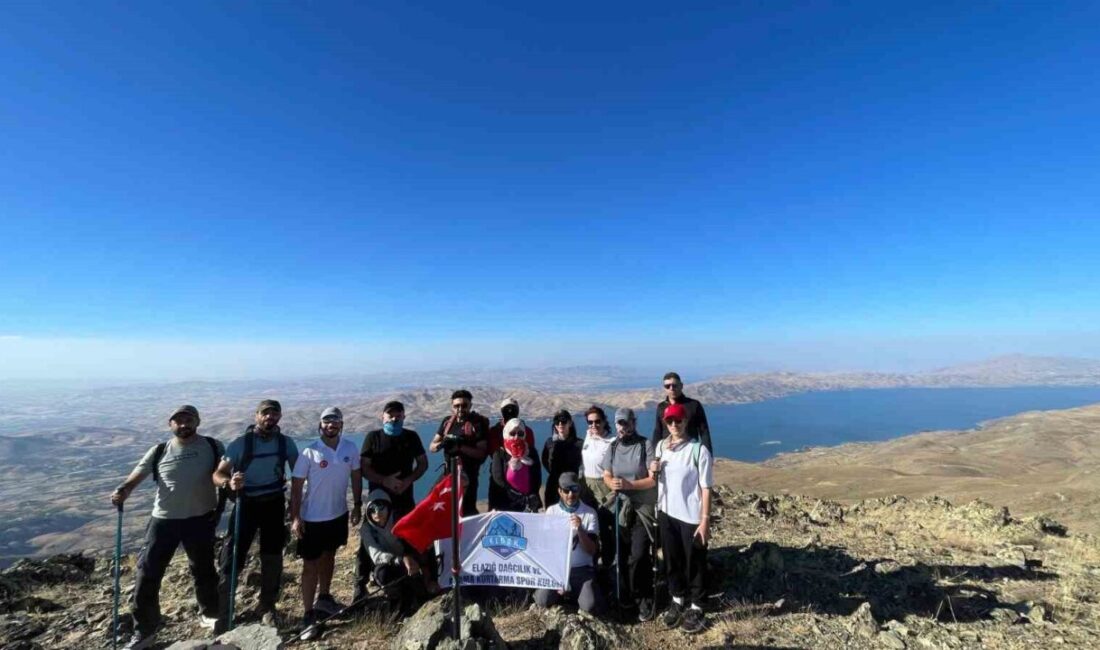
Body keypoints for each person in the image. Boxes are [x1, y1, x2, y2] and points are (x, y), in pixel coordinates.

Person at [111, 405, 224, 650]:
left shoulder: (213, 446)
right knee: (148, 573)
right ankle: (145, 630)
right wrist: (124, 490)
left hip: (200, 518)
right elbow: (137, 475)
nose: (184, 424)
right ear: (170, 424)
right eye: (178, 420)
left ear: (197, 422)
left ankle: (210, 613)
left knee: (204, 569)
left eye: (189, 420)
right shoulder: (160, 450)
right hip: (164, 520)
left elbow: (223, 473)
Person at [213, 399, 299, 628]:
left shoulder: (286, 443)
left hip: (274, 503)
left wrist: (297, 506)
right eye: (265, 413)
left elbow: (299, 472)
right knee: (232, 557)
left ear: (279, 417)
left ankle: (267, 606)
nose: (270, 417)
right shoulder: (240, 444)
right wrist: (229, 483)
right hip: (246, 504)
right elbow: (218, 474)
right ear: (257, 416)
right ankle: (225, 613)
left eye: (274, 413)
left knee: (272, 556)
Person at [290, 407, 362, 639]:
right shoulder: (309, 452)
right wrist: (295, 517)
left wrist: (358, 505)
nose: (331, 425)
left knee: (330, 556)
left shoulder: (350, 448)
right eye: (326, 421)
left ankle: (324, 598)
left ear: (341, 424)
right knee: (310, 565)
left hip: (338, 514)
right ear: (320, 425)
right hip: (312, 518)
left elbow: (356, 476)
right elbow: (296, 487)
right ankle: (308, 614)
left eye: (335, 421)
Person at [355, 400, 428, 601]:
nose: (394, 419)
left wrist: (408, 480)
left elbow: (423, 463)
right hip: (378, 501)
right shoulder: (373, 437)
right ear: (383, 417)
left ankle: (412, 580)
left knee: (407, 537)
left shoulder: (411, 437)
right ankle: (360, 586)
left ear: (404, 416)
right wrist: (384, 480)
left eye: (398, 415)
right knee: (368, 542)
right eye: (390, 415)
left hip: (404, 497)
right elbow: (364, 467)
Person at [651, 403, 712, 634]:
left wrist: (705, 520)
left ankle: (697, 606)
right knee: (672, 558)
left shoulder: (698, 450)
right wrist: (653, 469)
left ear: (686, 421)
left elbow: (706, 487)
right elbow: (655, 477)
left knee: (694, 560)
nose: (674, 425)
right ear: (665, 423)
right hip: (667, 512)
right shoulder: (661, 446)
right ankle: (677, 598)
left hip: (691, 516)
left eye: (678, 420)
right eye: (670, 421)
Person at [600, 407, 659, 622]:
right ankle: (626, 597)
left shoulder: (645, 445)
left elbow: (653, 480)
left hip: (642, 508)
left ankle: (643, 596)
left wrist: (629, 485)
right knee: (623, 554)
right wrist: (612, 483)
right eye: (619, 423)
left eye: (626, 422)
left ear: (634, 422)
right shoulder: (613, 447)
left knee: (639, 555)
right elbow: (606, 474)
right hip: (620, 508)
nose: (623, 427)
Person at [533, 473, 605, 614]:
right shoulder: (551, 511)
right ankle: (564, 594)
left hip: (582, 569)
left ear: (579, 490)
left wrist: (580, 530)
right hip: (558, 570)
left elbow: (591, 550)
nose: (571, 494)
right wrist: (557, 575)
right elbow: (546, 548)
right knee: (542, 600)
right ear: (560, 491)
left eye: (574, 489)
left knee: (589, 606)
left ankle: (579, 592)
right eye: (566, 491)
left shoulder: (590, 513)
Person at [360, 489, 432, 616]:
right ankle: (397, 597)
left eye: (381, 507)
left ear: (388, 506)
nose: (377, 513)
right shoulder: (367, 530)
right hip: (391, 564)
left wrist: (413, 558)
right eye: (372, 510)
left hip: (412, 561)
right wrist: (399, 559)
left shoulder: (400, 520)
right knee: (382, 573)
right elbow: (376, 555)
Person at [429, 389, 489, 516]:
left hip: (468, 475)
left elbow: (481, 453)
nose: (460, 409)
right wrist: (442, 444)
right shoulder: (447, 422)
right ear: (452, 406)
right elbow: (432, 447)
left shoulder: (476, 424)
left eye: (464, 405)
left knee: (466, 511)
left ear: (470, 405)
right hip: (448, 472)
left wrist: (459, 446)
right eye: (457, 406)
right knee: (433, 503)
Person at [580, 406, 616, 572]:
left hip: (604, 488)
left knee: (605, 529)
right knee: (590, 528)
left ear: (604, 421)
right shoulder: (588, 436)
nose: (593, 425)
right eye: (590, 422)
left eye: (597, 421)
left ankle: (608, 566)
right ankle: (592, 564)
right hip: (587, 488)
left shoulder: (612, 442)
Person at [488, 418, 542, 512]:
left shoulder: (531, 452)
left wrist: (531, 497)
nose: (516, 437)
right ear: (506, 434)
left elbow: (537, 479)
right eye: (512, 433)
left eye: (520, 433)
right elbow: (498, 481)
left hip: (528, 505)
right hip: (505, 506)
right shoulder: (499, 454)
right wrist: (516, 497)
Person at [653, 372, 712, 453]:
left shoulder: (694, 405)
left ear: (681, 385)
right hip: (667, 452)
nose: (671, 388)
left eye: (674, 385)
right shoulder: (661, 407)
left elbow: (704, 431)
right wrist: (654, 455)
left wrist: (708, 453)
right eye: (667, 386)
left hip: (689, 451)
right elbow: (657, 431)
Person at [541, 409, 582, 508]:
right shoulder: (549, 443)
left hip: (572, 488)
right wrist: (553, 472)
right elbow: (544, 460)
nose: (560, 424)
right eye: (557, 421)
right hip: (553, 486)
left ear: (570, 423)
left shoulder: (579, 444)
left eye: (563, 421)